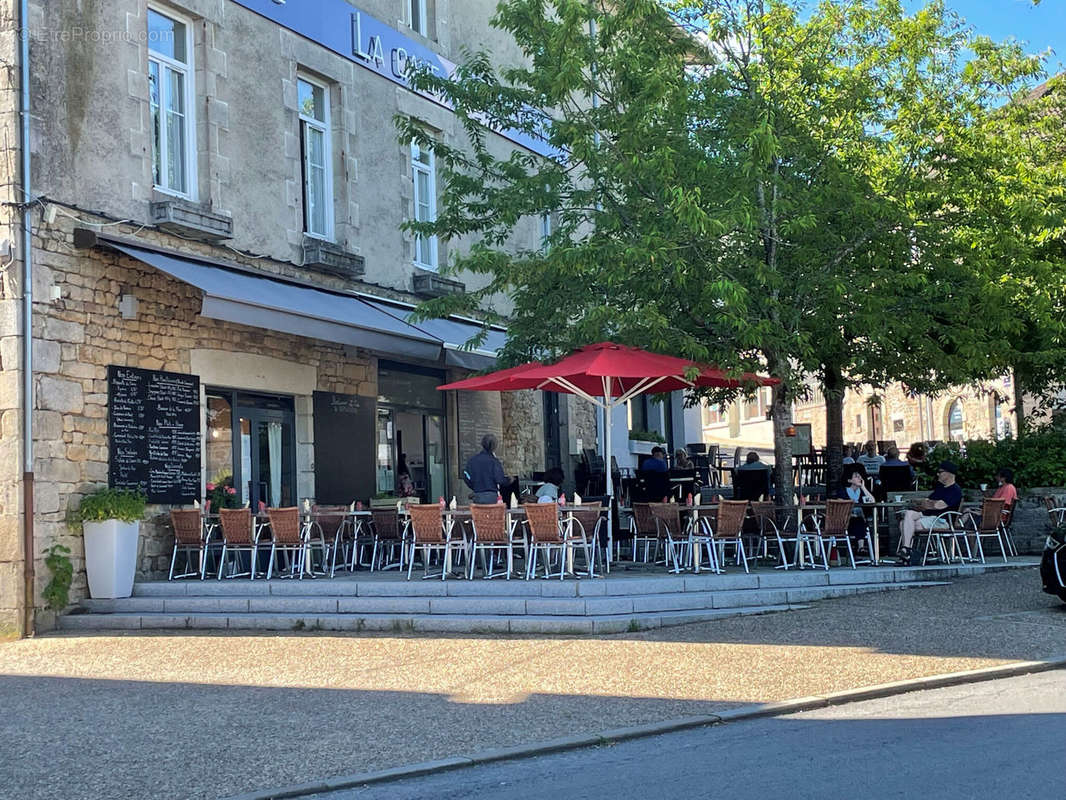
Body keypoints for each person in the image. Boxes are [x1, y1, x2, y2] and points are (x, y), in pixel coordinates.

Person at [898, 460, 963, 563]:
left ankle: (907, 551)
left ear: (948, 473)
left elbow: (938, 506)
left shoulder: (955, 490)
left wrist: (927, 504)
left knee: (904, 524)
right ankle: (906, 550)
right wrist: (927, 504)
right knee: (908, 515)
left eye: (940, 472)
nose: (938, 474)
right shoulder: (940, 488)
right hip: (929, 518)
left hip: (942, 521)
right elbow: (929, 502)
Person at [836, 466, 875, 554]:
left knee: (859, 521)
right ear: (849, 480)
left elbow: (872, 501)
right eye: (856, 476)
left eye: (860, 476)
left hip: (860, 519)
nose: (860, 478)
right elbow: (839, 506)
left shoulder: (862, 492)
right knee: (858, 521)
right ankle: (861, 547)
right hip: (846, 521)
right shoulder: (843, 491)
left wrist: (863, 487)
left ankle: (861, 548)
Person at [464, 434, 507, 504]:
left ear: (482, 444)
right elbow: (500, 480)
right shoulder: (494, 462)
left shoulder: (472, 461)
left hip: (477, 496)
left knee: (478, 514)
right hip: (492, 497)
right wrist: (509, 480)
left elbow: (466, 477)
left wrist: (475, 487)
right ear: (494, 447)